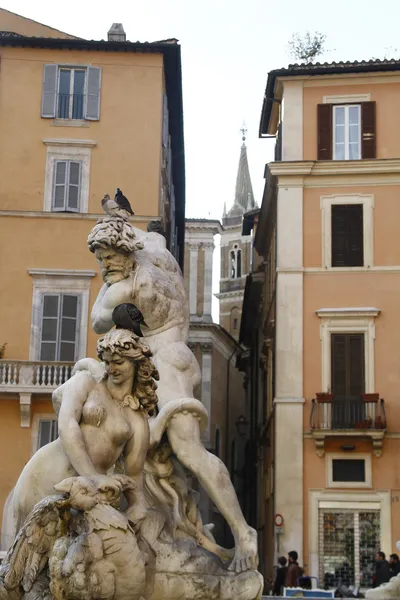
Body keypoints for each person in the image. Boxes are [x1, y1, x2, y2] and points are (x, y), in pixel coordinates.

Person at [88, 214, 258, 573]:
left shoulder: (125, 286)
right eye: (100, 260)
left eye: (106, 259)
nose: (104, 267)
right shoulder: (157, 248)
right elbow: (148, 235)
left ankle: (244, 532)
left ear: (122, 252)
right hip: (178, 357)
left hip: (160, 364)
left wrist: (115, 303)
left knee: (188, 451)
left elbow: (97, 322)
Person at [13, 328, 158, 532]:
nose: (112, 368)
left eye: (119, 362)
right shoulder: (86, 382)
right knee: (26, 550)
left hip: (88, 495)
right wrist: (92, 476)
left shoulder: (137, 419)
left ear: (135, 362)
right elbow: (67, 423)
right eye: (108, 362)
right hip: (47, 472)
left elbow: (134, 475)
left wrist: (137, 505)